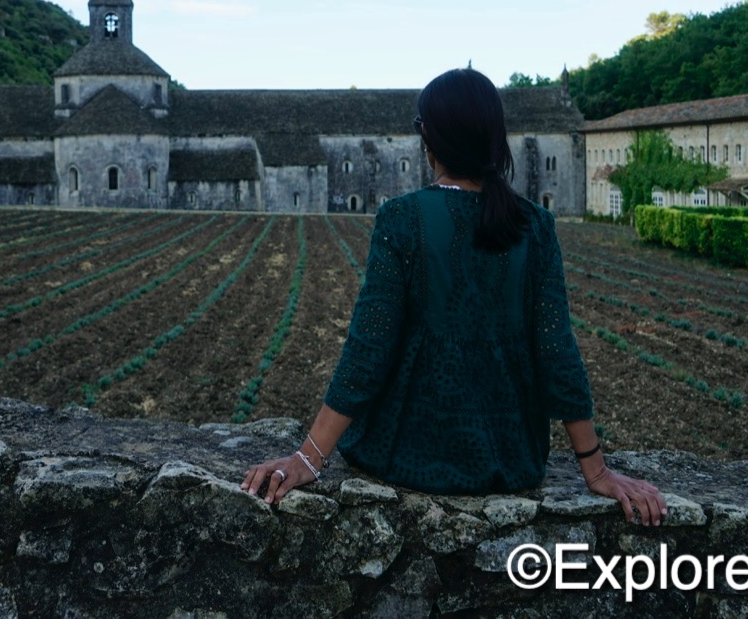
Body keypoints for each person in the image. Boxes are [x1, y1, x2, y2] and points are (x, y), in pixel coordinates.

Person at [241, 68, 666, 526]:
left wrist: (308, 458)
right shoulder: (535, 224)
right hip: (513, 458)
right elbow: (557, 352)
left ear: (430, 139)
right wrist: (596, 470)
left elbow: (369, 350)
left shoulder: (401, 219)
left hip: (405, 452)